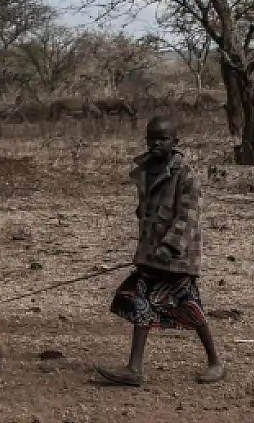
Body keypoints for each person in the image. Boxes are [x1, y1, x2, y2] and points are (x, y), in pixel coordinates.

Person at [96, 116, 225, 386]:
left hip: (177, 257)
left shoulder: (186, 176)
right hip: (151, 255)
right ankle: (134, 369)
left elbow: (188, 217)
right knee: (140, 301)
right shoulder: (146, 171)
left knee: (189, 305)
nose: (156, 143)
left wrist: (169, 246)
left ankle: (215, 362)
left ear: (175, 142)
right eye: (152, 138)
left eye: (163, 139)